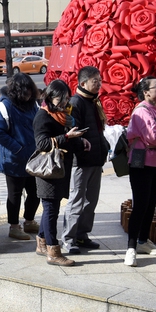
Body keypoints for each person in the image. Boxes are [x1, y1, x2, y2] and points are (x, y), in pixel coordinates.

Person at [33, 80, 88, 267]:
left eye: (66, 98)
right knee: (51, 210)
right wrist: (66, 137)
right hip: (47, 170)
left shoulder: (62, 115)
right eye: (60, 98)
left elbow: (68, 138)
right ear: (49, 97)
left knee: (52, 206)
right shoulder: (42, 116)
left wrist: (80, 141)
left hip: (59, 168)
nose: (64, 102)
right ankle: (53, 252)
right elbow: (42, 144)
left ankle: (41, 242)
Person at [124, 77, 156, 267]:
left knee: (151, 203)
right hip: (141, 162)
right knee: (140, 204)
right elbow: (153, 136)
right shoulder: (142, 111)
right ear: (146, 92)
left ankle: (143, 241)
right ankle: (131, 247)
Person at [61, 66, 109, 254]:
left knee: (91, 201)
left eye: (99, 80)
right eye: (95, 81)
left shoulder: (93, 101)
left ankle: (82, 234)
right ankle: (68, 238)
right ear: (83, 83)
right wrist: (82, 145)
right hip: (80, 161)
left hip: (96, 159)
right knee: (76, 201)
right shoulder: (75, 102)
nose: (99, 84)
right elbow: (70, 132)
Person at [0, 73, 40, 240]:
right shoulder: (5, 106)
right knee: (15, 194)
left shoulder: (34, 105)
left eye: (29, 90)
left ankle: (29, 220)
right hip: (13, 160)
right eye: (24, 91)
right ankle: (14, 226)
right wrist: (17, 148)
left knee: (35, 192)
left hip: (33, 158)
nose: (27, 94)